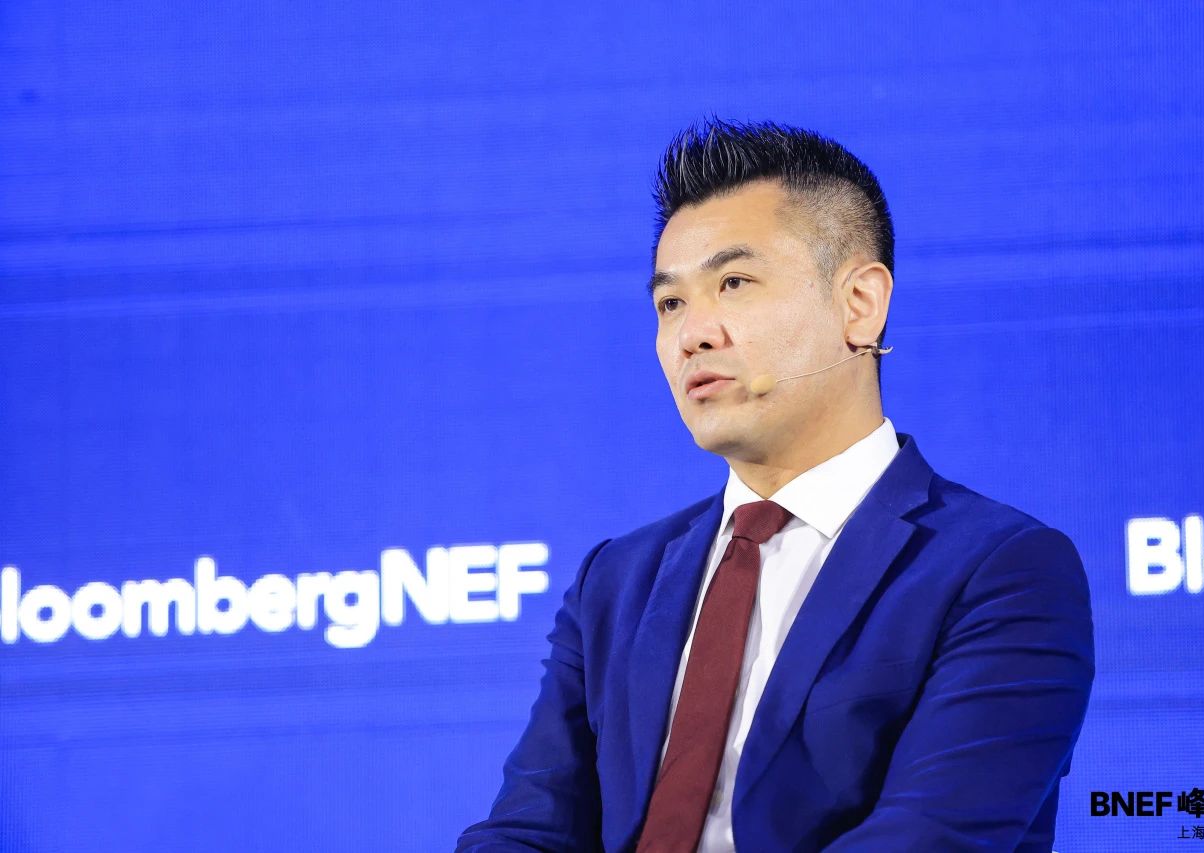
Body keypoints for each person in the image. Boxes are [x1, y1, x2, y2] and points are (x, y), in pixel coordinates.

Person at [456, 119, 1095, 852]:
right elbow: (525, 830)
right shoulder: (618, 579)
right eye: (670, 304)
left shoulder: (1001, 569)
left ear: (860, 304)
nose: (692, 335)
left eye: (733, 284)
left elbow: (925, 838)